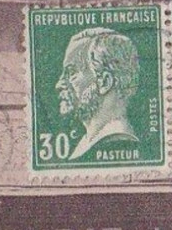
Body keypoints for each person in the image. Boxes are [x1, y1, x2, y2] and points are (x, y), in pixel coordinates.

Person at [55, 27, 140, 161]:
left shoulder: (116, 141)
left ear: (105, 82)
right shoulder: (89, 143)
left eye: (71, 73)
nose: (59, 85)